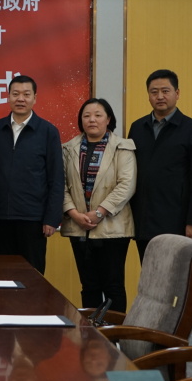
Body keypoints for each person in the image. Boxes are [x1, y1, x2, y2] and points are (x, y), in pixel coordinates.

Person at [60, 98, 136, 312]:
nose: (92, 120)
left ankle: (113, 331)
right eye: (86, 116)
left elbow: (126, 185)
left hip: (113, 228)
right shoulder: (68, 149)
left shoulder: (123, 147)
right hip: (79, 226)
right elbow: (60, 185)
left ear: (108, 119)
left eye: (98, 115)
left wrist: (100, 212)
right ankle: (90, 331)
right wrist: (74, 213)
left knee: (113, 286)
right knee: (89, 286)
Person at [128, 69, 192, 260]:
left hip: (176, 221)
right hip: (143, 220)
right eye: (154, 92)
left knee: (173, 274)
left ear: (177, 93)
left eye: (165, 91)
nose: (159, 96)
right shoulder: (137, 128)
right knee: (149, 273)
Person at [0, 74, 64, 274]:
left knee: (33, 276)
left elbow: (56, 178)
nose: (20, 99)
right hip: (1, 218)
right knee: (3, 275)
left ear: (35, 98)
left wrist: (52, 218)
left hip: (34, 219)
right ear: (8, 97)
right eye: (15, 94)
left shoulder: (48, 131)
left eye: (26, 94)